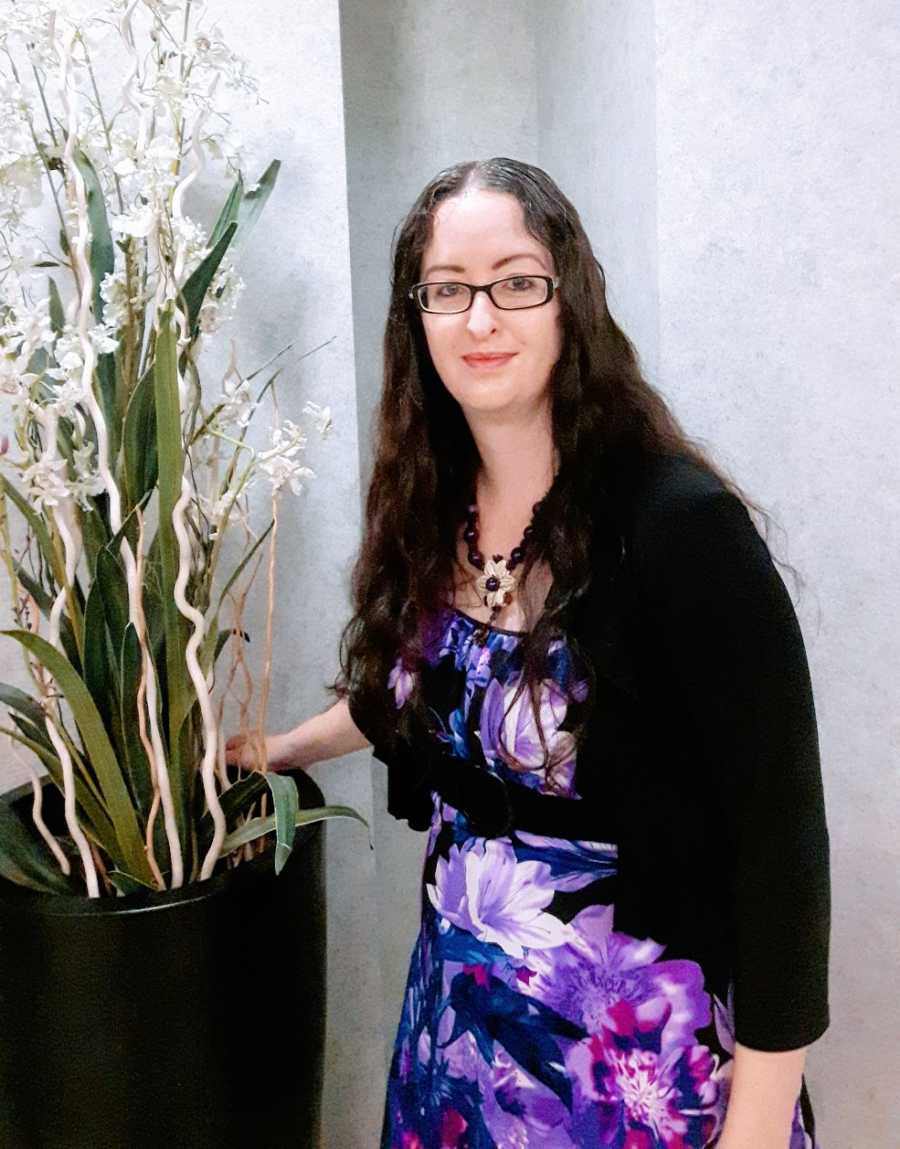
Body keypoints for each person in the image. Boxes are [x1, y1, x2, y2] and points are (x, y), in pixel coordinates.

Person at [227, 157, 830, 1148]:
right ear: (414, 318)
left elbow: (783, 848)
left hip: (636, 1064)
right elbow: (417, 688)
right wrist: (288, 747)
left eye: (515, 282)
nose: (480, 319)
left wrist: (758, 1122)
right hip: (459, 1041)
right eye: (448, 290)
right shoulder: (434, 505)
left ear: (569, 302)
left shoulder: (680, 529)